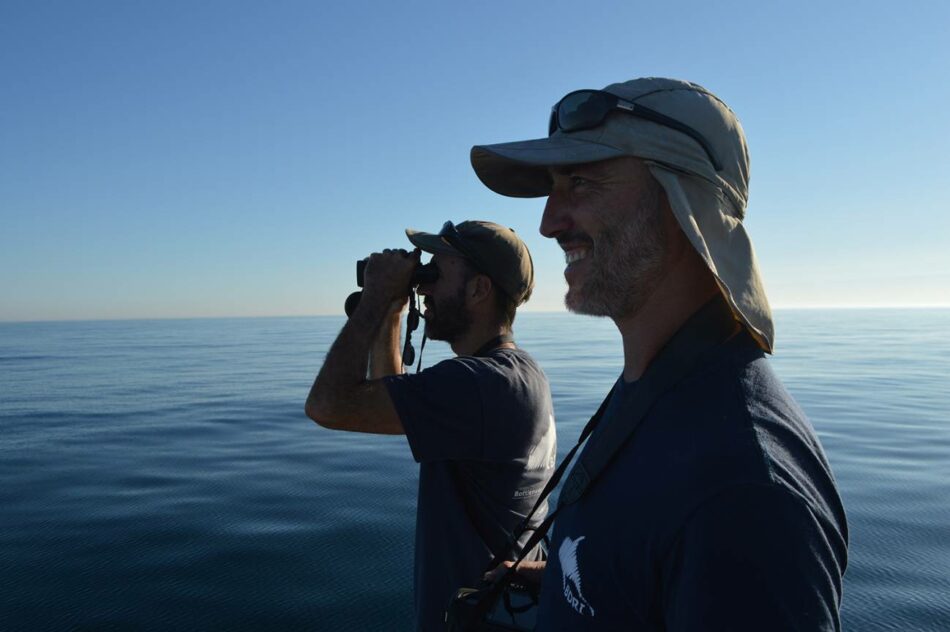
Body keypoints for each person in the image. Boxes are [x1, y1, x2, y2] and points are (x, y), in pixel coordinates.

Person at [470, 78, 848, 630]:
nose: (548, 224)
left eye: (581, 181)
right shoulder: (655, 387)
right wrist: (566, 579)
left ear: (681, 199)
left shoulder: (744, 496)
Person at [305, 220, 556, 632]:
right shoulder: (515, 373)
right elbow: (392, 394)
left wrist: (374, 299)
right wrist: (392, 312)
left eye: (435, 274)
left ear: (478, 289)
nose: (423, 288)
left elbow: (328, 406)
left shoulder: (479, 385)